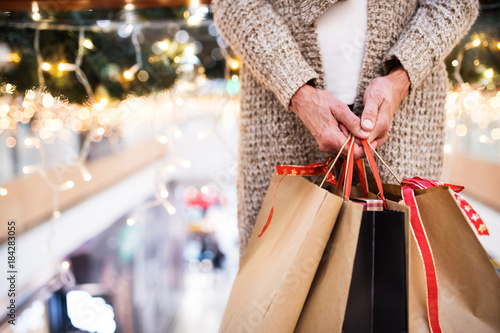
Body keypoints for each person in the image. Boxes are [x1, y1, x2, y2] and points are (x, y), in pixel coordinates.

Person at [212, 0, 479, 256]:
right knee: (277, 283)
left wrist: (401, 78)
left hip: (405, 117)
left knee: (397, 280)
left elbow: (455, 3)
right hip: (280, 118)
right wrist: (296, 89)